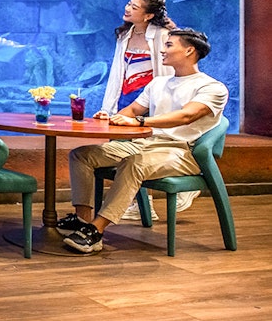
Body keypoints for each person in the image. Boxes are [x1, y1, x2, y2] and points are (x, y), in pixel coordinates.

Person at [57, 28, 229, 254]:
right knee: (82, 154)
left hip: (183, 152)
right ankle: (83, 221)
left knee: (134, 163)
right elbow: (134, 109)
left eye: (169, 45)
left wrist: (139, 122)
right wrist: (113, 118)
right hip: (146, 144)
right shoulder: (158, 83)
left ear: (189, 50)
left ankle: (96, 232)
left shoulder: (212, 87)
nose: (161, 49)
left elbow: (187, 115)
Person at [95, 0, 199, 219]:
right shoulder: (125, 34)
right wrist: (109, 106)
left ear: (149, 14)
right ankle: (134, 203)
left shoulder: (163, 35)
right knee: (122, 151)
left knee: (145, 152)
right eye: (129, 3)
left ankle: (147, 204)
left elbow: (176, 64)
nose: (128, 8)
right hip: (127, 97)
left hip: (150, 99)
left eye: (135, 6)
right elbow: (117, 72)